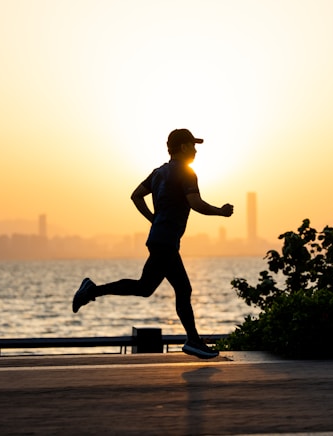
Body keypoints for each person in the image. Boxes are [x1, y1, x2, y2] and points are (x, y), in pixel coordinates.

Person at [72, 128, 234, 359]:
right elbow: (196, 203)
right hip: (165, 241)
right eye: (193, 145)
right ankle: (193, 341)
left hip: (158, 239)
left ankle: (92, 289)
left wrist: (153, 219)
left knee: (145, 288)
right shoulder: (187, 173)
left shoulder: (158, 173)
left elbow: (136, 195)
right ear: (183, 147)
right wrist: (221, 211)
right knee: (182, 289)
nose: (196, 150)